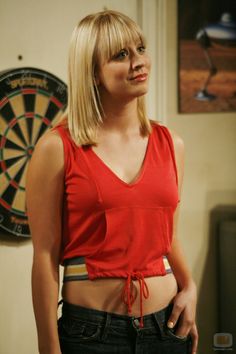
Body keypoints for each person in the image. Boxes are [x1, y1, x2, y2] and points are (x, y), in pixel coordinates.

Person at [26, 10, 198, 354]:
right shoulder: (56, 148)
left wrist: (190, 286)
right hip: (91, 334)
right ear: (92, 73)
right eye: (121, 54)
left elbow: (168, 236)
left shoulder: (171, 143)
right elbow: (45, 256)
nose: (139, 61)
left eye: (140, 48)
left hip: (166, 328)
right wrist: (48, 346)